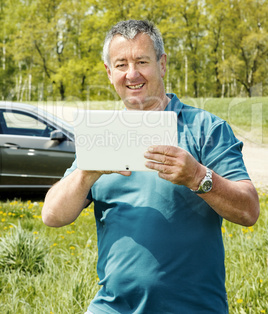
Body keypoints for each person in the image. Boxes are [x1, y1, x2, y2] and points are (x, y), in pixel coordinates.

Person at [42, 19, 260, 314]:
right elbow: (52, 215)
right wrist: (86, 173)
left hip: (194, 308)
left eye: (142, 61)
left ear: (162, 63)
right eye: (121, 64)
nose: (132, 74)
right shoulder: (104, 133)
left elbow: (248, 211)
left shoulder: (206, 128)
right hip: (112, 308)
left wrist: (198, 176)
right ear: (109, 72)